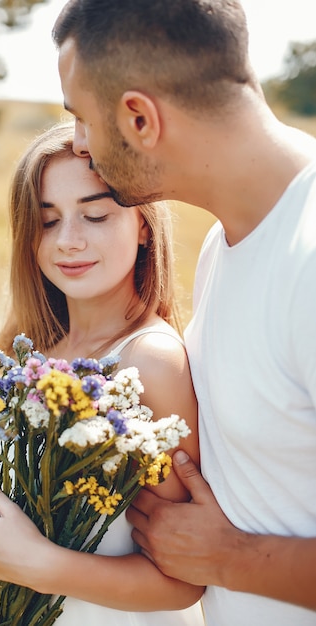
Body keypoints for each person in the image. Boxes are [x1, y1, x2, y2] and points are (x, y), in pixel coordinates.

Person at [51, 1, 316, 625]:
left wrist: (233, 560)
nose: (82, 148)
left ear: (139, 117)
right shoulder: (227, 245)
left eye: (82, 120)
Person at [0, 121, 205, 625]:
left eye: (94, 215)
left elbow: (185, 579)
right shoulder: (30, 346)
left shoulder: (148, 363)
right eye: (47, 221)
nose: (68, 241)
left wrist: (41, 566)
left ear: (143, 224)